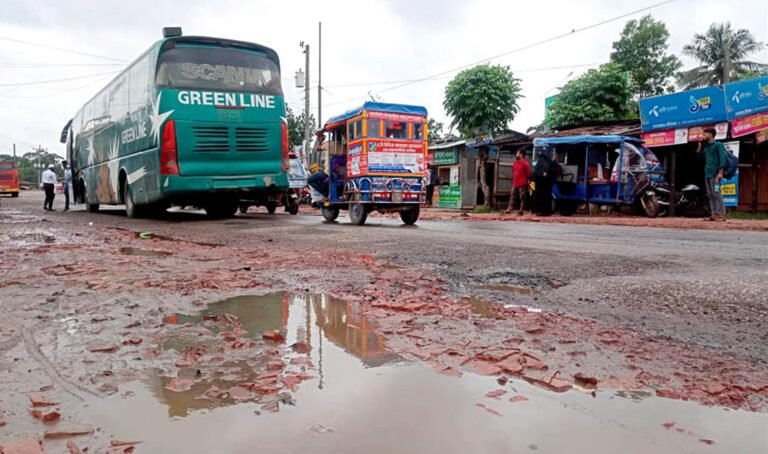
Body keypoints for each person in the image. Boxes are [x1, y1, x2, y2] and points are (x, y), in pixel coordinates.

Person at [697, 128, 727, 222]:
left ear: (710, 134)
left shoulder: (718, 145)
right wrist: (700, 146)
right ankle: (714, 214)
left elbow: (722, 158)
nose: (703, 136)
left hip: (716, 174)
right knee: (710, 195)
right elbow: (699, 157)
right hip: (708, 174)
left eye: (704, 134)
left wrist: (720, 172)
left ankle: (721, 214)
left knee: (716, 193)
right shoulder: (707, 147)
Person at [506, 150, 532, 215]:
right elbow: (513, 171)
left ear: (521, 154)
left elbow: (528, 173)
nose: (516, 154)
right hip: (515, 182)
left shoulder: (526, 164)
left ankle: (521, 210)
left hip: (522, 183)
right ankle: (509, 209)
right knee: (512, 196)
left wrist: (528, 180)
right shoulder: (515, 163)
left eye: (517, 153)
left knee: (522, 197)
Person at [533, 151, 555, 216]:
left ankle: (539, 211)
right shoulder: (549, 161)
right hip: (547, 184)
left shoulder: (540, 161)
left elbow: (536, 172)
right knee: (547, 197)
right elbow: (551, 172)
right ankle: (547, 212)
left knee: (539, 197)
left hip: (540, 184)